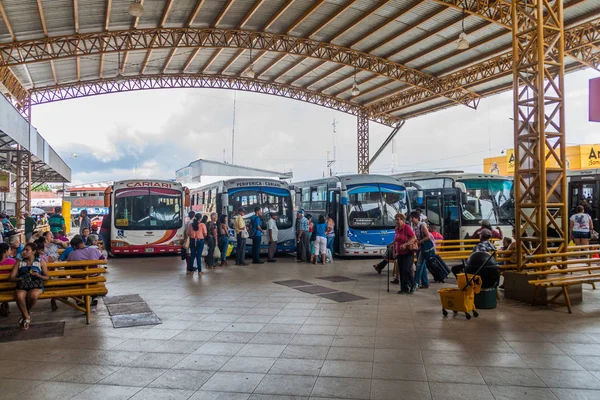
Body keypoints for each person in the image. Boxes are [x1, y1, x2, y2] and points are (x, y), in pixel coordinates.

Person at [8, 242, 49, 330]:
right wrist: (20, 278)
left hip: (36, 285)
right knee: (19, 296)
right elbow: (11, 277)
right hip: (23, 285)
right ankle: (27, 317)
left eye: (27, 250)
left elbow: (47, 277)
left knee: (33, 295)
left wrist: (38, 275)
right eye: (24, 250)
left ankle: (25, 314)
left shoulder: (40, 262)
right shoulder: (19, 262)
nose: (24, 252)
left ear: (33, 251)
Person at [67, 236, 105, 307]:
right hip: (93, 278)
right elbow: (103, 260)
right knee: (96, 275)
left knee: (74, 279)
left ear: (74, 246)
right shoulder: (94, 250)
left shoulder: (72, 254)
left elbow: (68, 267)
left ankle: (79, 300)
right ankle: (94, 297)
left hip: (79, 279)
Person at [393, 213, 417, 294]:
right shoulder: (396, 229)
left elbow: (413, 238)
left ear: (402, 220)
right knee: (401, 271)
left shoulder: (406, 227)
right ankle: (404, 288)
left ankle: (413, 284)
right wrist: (395, 251)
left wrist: (406, 244)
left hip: (407, 252)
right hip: (400, 253)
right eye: (396, 219)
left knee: (407, 269)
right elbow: (396, 241)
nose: (397, 221)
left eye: (398, 219)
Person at [410, 210, 431, 290]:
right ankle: (425, 283)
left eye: (412, 218)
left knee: (419, 265)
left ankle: (416, 283)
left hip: (423, 247)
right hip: (419, 248)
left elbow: (428, 236)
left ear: (416, 218)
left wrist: (419, 241)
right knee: (422, 265)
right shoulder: (415, 227)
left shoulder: (422, 225)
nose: (411, 220)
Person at [0, 243, 15, 317]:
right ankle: (5, 303)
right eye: (9, 250)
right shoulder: (11, 262)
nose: (10, 252)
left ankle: (5, 304)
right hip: (9, 287)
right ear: (5, 252)